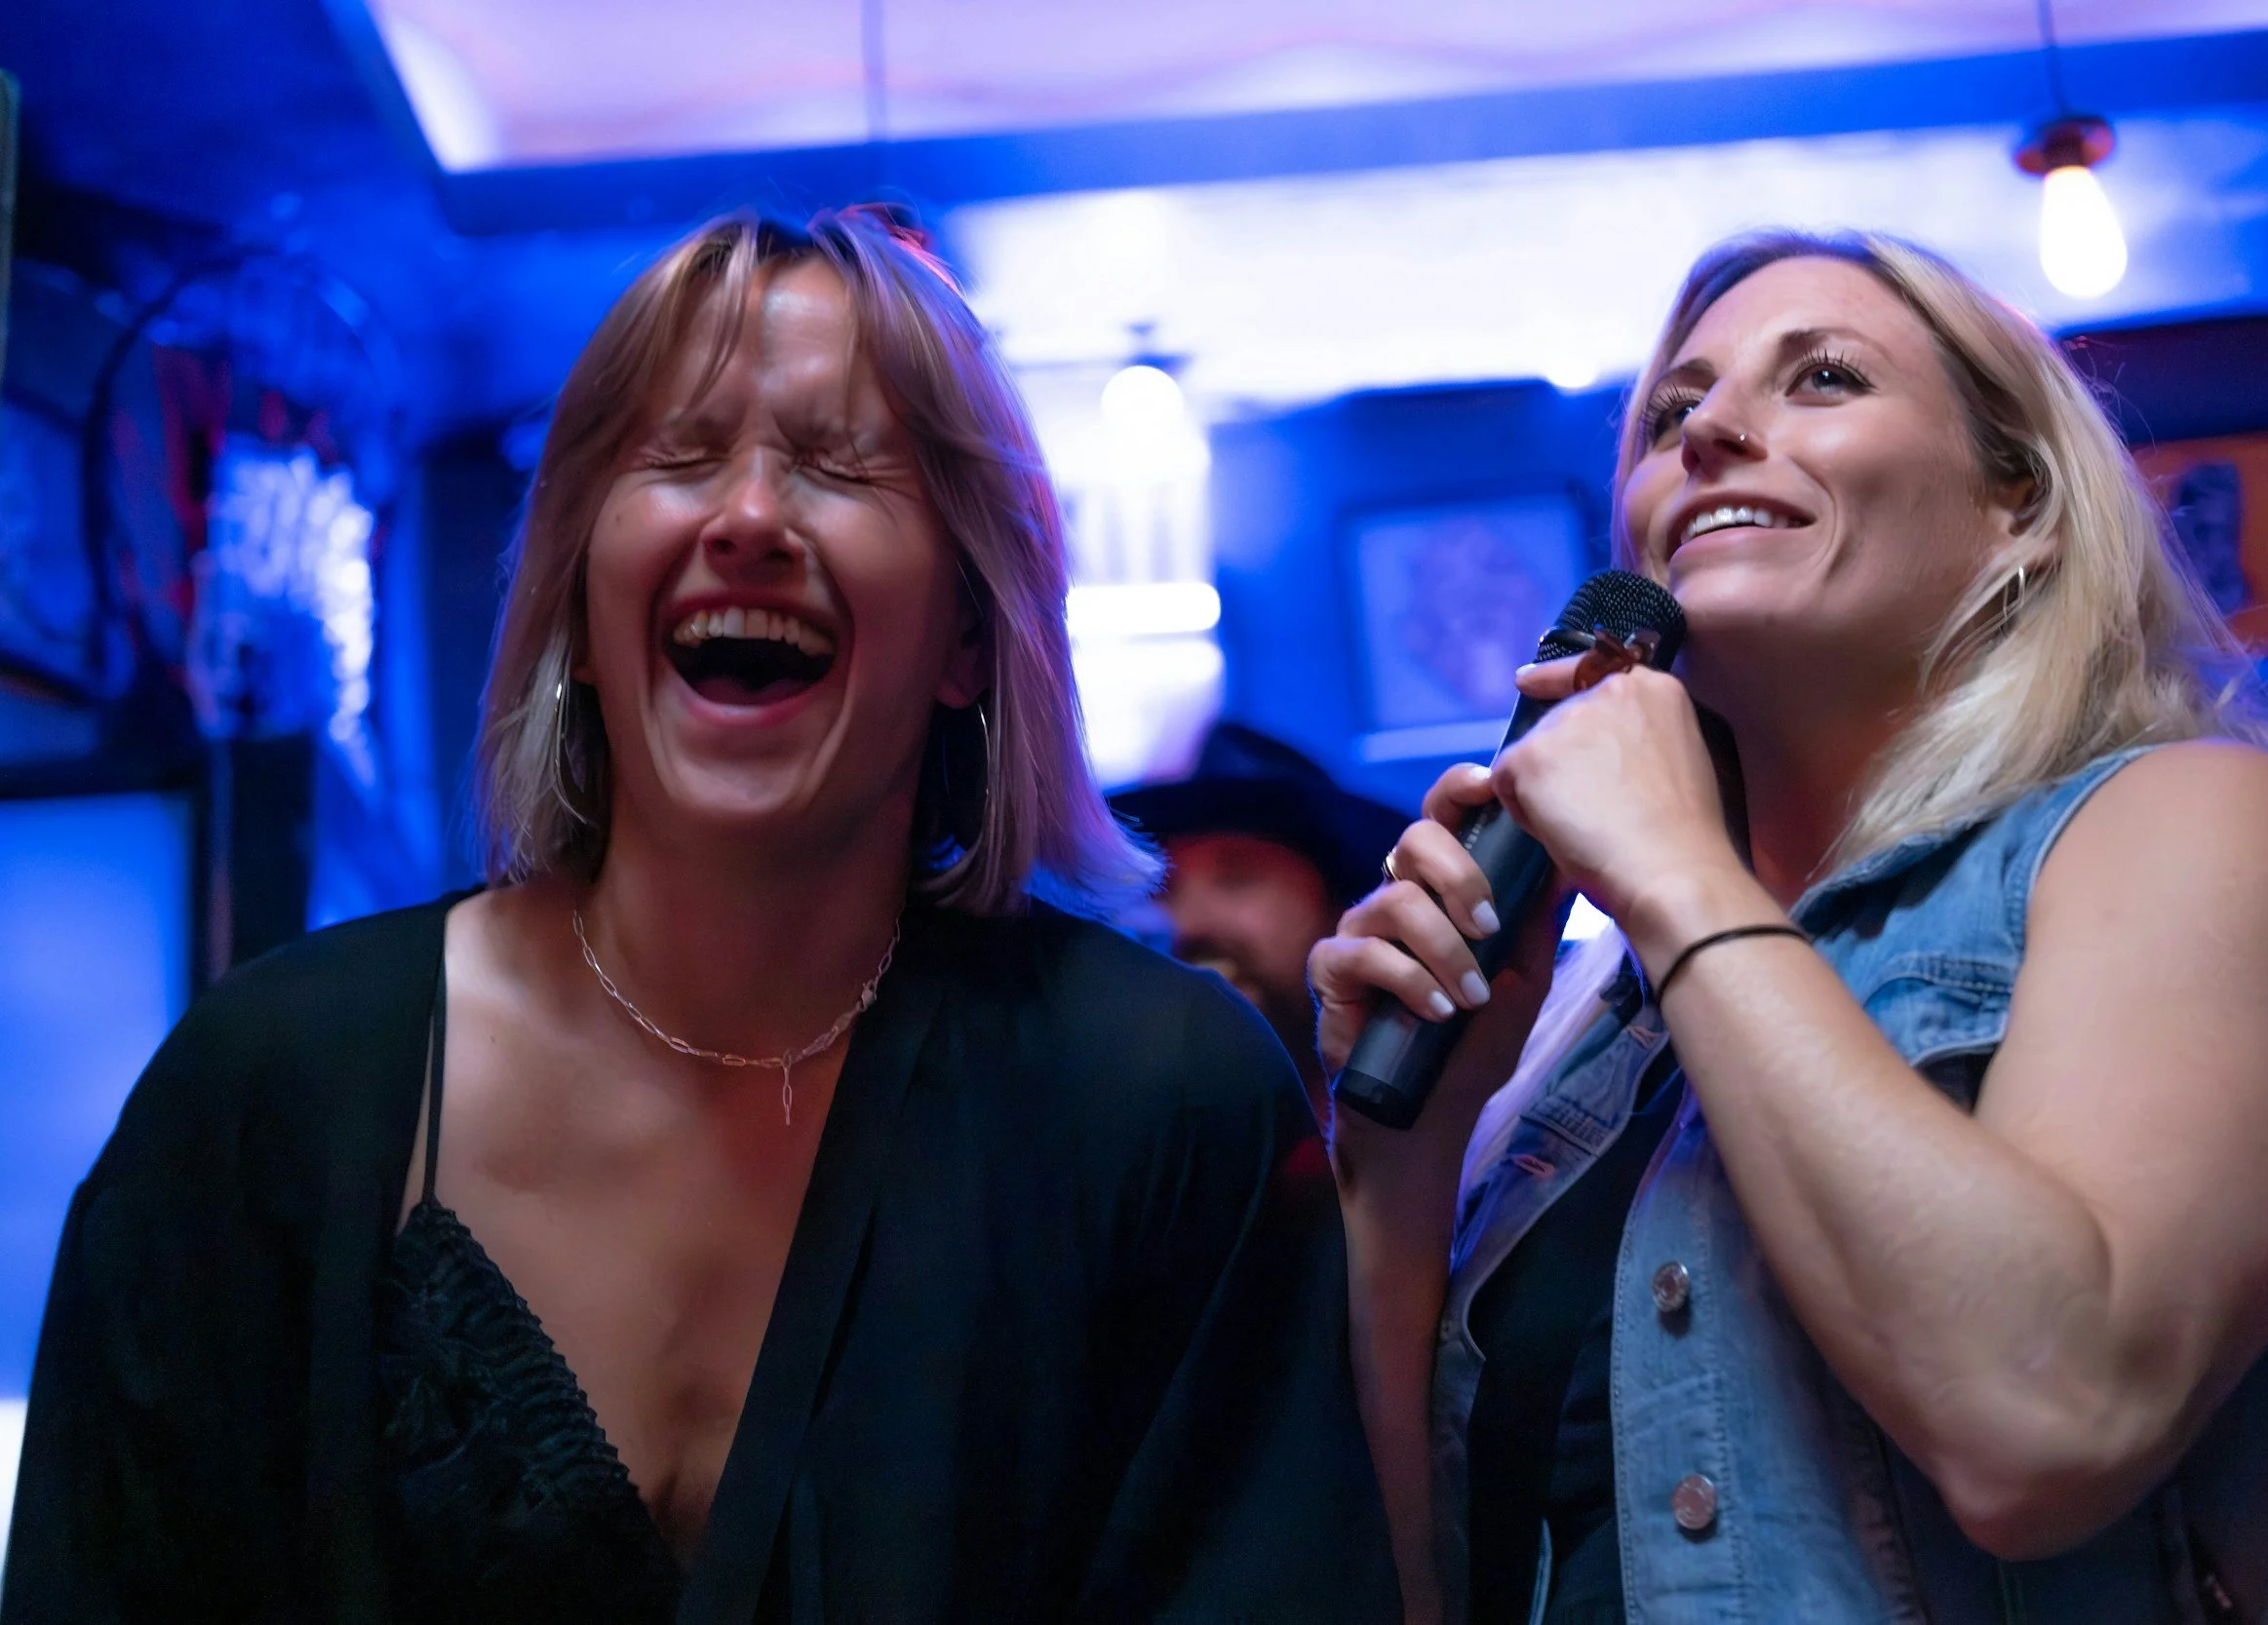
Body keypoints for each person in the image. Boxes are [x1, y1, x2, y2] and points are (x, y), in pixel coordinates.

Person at [3, 210, 1397, 1624]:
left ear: (973, 636)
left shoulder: (1162, 1100)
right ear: (577, 597)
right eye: (676, 458)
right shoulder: (267, 1094)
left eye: (841, 462)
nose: (745, 518)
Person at [1314, 231, 2268, 1623]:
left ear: (2019, 502)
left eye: (1823, 378)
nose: (1709, 428)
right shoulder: (1600, 1031)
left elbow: (2050, 1421)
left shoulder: (2207, 822)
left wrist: (1677, 873)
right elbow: (1410, 1582)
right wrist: (1400, 1169)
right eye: (1672, 414)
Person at [1112, 721, 1409, 1111]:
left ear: (1340, 906)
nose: (1187, 924)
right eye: (1163, 891)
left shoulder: (1440, 1116)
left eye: (1238, 880)